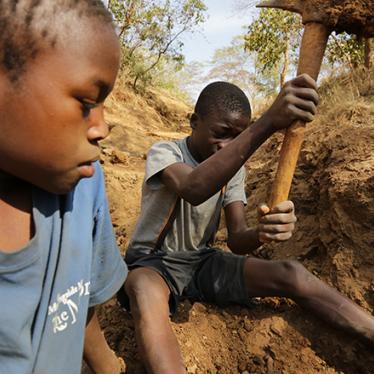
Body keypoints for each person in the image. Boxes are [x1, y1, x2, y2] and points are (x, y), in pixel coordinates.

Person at [118, 78, 374, 373]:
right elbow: (193, 187)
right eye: (221, 133)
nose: (226, 145)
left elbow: (238, 239)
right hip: (154, 264)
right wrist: (266, 124)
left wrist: (262, 233)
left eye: (236, 137)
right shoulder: (166, 152)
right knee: (144, 290)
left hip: (200, 264)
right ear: (194, 121)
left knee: (292, 273)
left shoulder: (234, 171)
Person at [0, 1, 127, 373]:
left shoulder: (84, 187)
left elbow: (77, 307)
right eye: (88, 102)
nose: (102, 128)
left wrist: (109, 368)